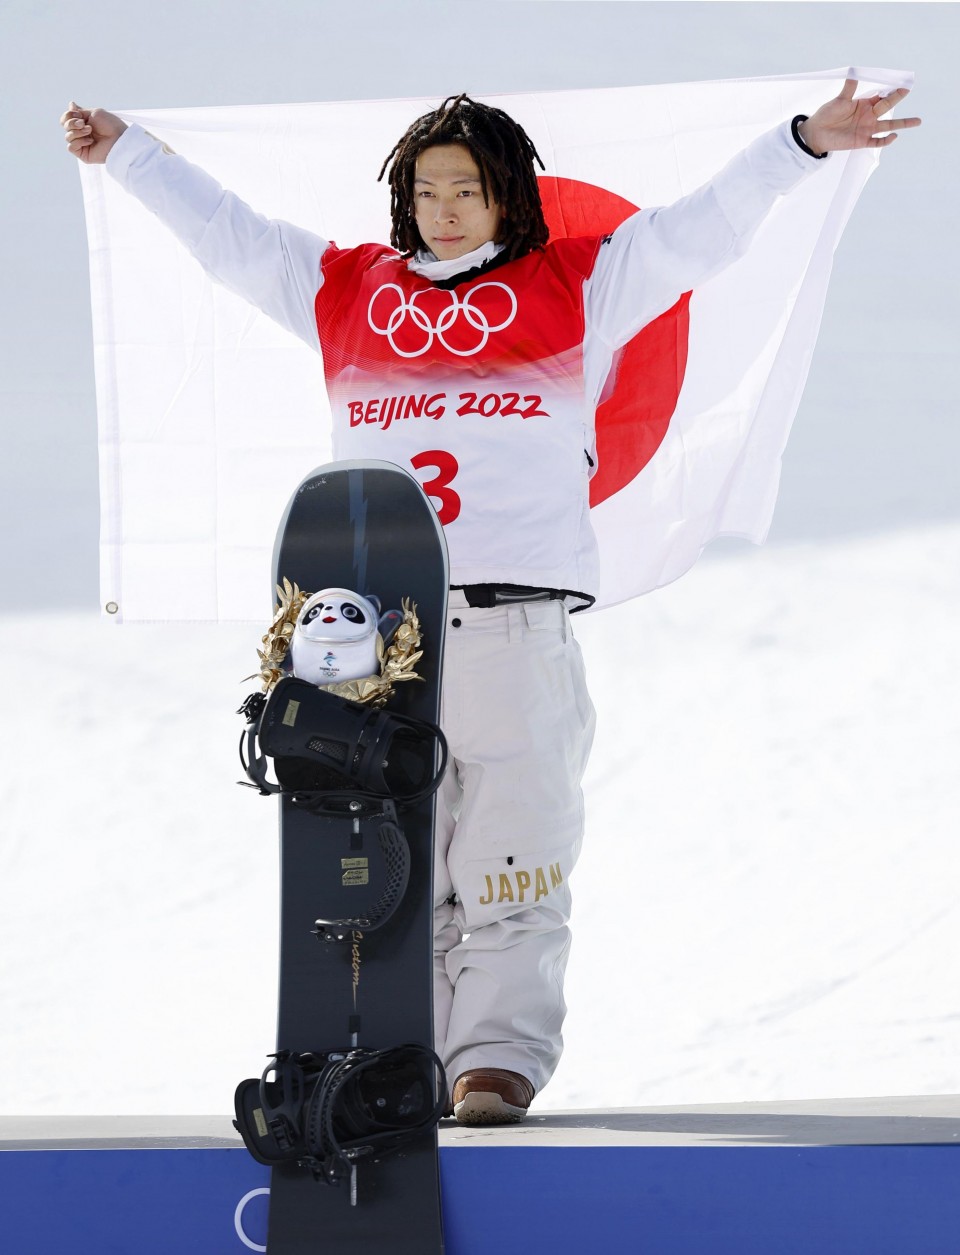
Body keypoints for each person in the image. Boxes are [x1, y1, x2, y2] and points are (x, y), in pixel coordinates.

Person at [61, 81, 919, 1125]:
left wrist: (802, 144)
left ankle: (494, 1064)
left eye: (467, 188)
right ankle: (393, 1057)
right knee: (382, 861)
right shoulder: (346, 291)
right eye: (427, 191)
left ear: (509, 192)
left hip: (515, 622)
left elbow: (704, 233)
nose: (446, 209)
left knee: (513, 850)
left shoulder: (581, 281)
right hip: (376, 643)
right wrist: (131, 154)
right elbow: (231, 238)